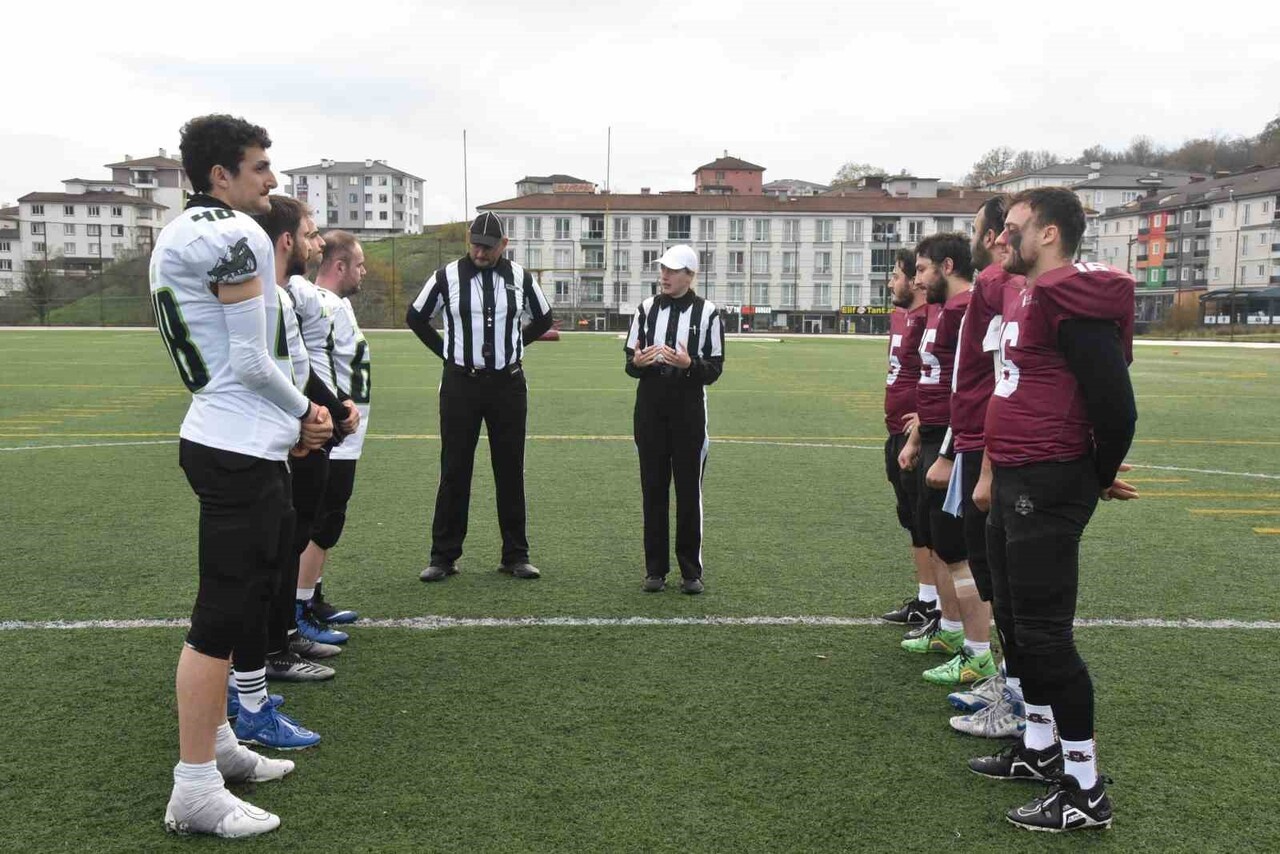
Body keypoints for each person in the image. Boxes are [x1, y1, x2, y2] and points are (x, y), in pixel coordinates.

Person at [151, 114, 332, 838]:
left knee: (242, 604)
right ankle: (194, 786)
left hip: (226, 437)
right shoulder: (235, 234)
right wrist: (308, 412)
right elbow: (254, 363)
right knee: (219, 618)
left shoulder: (182, 231)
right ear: (220, 174)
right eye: (259, 166)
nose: (272, 179)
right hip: (238, 445)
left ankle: (219, 744)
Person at [967, 187, 1138, 833]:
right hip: (1017, 472)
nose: (1000, 238)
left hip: (1048, 477)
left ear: (1049, 234)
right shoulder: (1027, 290)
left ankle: (1085, 789)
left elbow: (1117, 407)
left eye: (1013, 228)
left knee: (1045, 635)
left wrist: (1094, 474)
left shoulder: (1073, 298)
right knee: (1014, 620)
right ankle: (1039, 746)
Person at [406, 212, 553, 581]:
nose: (480, 253)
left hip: (508, 385)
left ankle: (515, 555)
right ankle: (443, 556)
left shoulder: (520, 277)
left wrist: (516, 344)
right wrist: (446, 352)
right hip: (461, 384)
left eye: (488, 247)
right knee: (454, 469)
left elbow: (544, 318)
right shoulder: (446, 277)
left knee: (510, 469)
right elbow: (416, 317)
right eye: (475, 245)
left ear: (504, 245)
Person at [251, 196, 356, 689]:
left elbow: (299, 368)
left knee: (290, 540)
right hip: (272, 440)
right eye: (311, 235)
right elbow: (262, 370)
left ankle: (284, 636)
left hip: (296, 431)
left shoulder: (280, 295)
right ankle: (267, 652)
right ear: (287, 240)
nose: (317, 244)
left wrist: (333, 409)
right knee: (270, 550)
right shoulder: (264, 297)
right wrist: (310, 416)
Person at [938, 197, 1028, 739]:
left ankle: (1018, 697)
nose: (972, 237)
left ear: (995, 236)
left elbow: (1001, 380)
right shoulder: (992, 288)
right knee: (991, 573)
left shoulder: (1000, 288)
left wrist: (983, 461)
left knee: (1005, 582)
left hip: (987, 447)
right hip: (974, 441)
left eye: (976, 229)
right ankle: (1006, 682)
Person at [897, 233, 995, 688]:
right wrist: (921, 433)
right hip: (938, 434)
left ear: (947, 266)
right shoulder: (946, 310)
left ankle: (977, 652)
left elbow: (972, 389)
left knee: (960, 552)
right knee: (939, 541)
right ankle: (952, 630)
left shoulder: (966, 311)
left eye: (922, 269)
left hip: (955, 441)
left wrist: (949, 452)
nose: (917, 279)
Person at [624, 245, 725, 593]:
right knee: (653, 489)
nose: (664, 275)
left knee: (688, 491)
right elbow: (629, 362)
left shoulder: (708, 313)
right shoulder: (645, 309)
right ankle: (655, 570)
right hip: (650, 409)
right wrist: (638, 363)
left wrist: (688, 365)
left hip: (688, 410)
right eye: (663, 269)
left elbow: (715, 369)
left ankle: (690, 572)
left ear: (690, 275)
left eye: (673, 270)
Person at [295, 230, 371, 622]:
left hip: (344, 431)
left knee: (329, 518)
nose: (363, 272)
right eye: (358, 265)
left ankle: (312, 596)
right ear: (339, 267)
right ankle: (299, 606)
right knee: (322, 521)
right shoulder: (320, 302)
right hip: (333, 429)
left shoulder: (337, 304)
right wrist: (335, 411)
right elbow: (306, 362)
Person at [878, 249, 935, 626]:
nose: (891, 283)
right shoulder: (901, 316)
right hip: (896, 432)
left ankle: (940, 606)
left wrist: (924, 419)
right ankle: (926, 598)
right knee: (912, 519)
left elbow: (940, 374)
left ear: (915, 280)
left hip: (919, 436)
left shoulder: (931, 317)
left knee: (928, 522)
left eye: (897, 275)